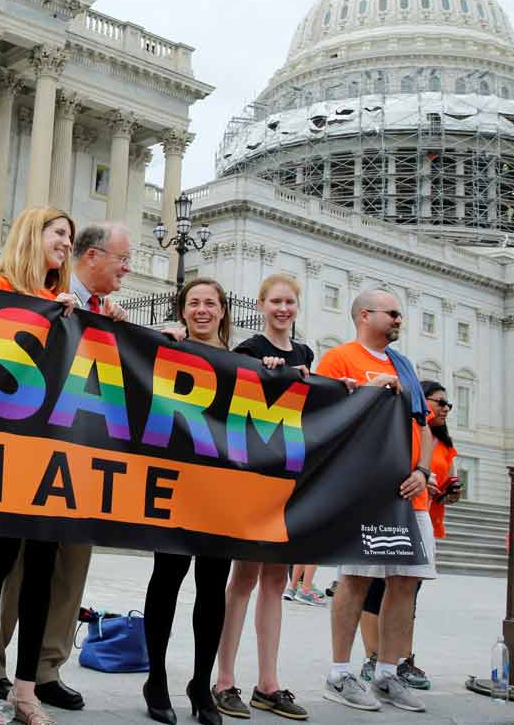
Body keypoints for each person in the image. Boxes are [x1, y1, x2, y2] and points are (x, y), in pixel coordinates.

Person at [0, 221, 130, 713]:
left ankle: (37, 676)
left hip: (73, 453)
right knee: (4, 567)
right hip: (13, 451)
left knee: (54, 570)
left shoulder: (89, 307)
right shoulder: (24, 293)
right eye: (57, 234)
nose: (127, 269)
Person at [0, 206, 78, 725]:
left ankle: (27, 690)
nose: (66, 243)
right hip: (6, 446)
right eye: (59, 233)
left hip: (50, 451)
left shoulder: (67, 303)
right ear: (35, 234)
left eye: (71, 237)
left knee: (41, 574)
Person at [315, 289, 434, 714]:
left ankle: (387, 672)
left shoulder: (406, 367)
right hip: (365, 490)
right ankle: (339, 673)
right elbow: (322, 417)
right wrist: (370, 391)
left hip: (409, 491)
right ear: (366, 315)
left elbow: (425, 427)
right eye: (394, 313)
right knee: (357, 579)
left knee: (405, 581)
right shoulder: (339, 359)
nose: (400, 320)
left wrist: (423, 471)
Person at [212, 274, 312, 721]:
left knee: (276, 580)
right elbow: (232, 396)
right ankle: (224, 679)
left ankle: (268, 683)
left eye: (290, 302)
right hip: (253, 474)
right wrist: (261, 375)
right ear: (261, 304)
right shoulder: (248, 350)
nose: (283, 309)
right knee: (244, 578)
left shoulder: (306, 354)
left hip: (287, 476)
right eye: (276, 301)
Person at [141, 278, 234, 725]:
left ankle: (201, 685)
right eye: (193, 303)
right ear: (182, 310)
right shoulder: (169, 348)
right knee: (167, 578)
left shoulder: (244, 364)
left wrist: (276, 369)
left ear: (222, 312)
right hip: (173, 483)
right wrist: (161, 339)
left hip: (220, 490)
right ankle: (155, 678)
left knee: (212, 587)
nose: (201, 310)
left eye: (209, 303)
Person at [354, 381, 457, 692]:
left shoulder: (443, 443)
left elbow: (440, 476)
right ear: (421, 400)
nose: (445, 409)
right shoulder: (404, 425)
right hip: (394, 509)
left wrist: (445, 492)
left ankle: (402, 657)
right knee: (377, 587)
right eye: (440, 402)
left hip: (426, 512)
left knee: (409, 593)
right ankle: (374, 656)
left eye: (448, 404)